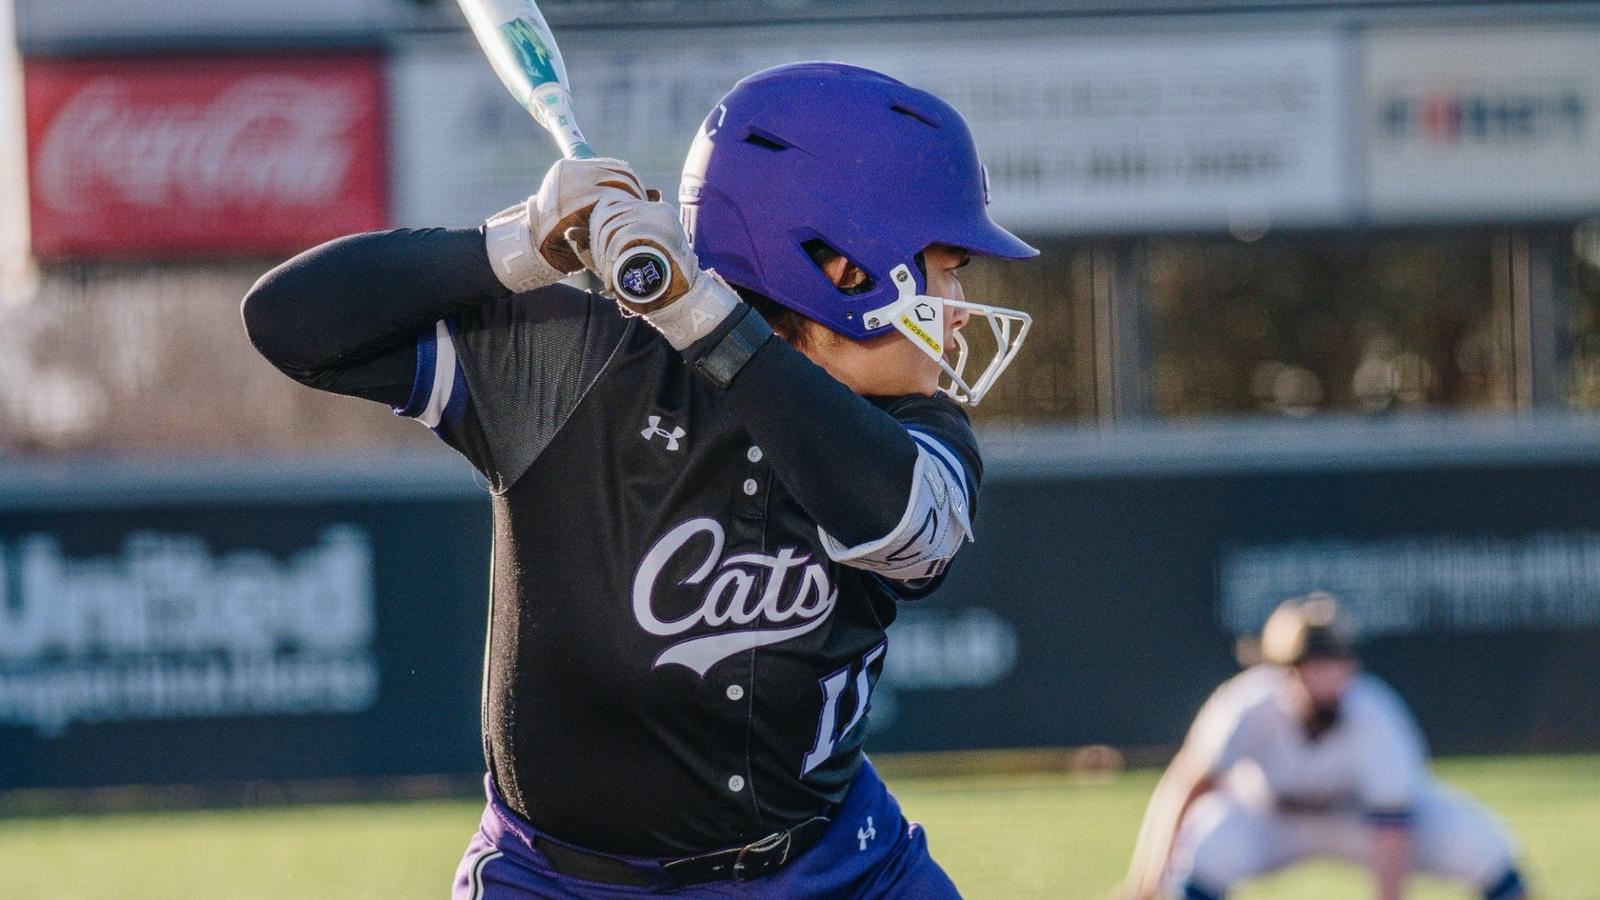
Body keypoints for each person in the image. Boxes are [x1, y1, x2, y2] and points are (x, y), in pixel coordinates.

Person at [242, 62, 1037, 898]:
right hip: (565, 882)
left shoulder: (915, 427)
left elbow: (908, 531)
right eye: (945, 267)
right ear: (841, 269)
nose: (954, 303)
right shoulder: (578, 361)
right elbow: (288, 323)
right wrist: (518, 243)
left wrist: (704, 319)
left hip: (838, 865)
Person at [1119, 593, 1530, 900]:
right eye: (1314, 666)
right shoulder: (1247, 703)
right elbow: (1188, 784)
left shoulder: (1375, 711)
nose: (1328, 678)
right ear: (1284, 670)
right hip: (1269, 819)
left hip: (1357, 823)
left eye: (1337, 664)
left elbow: (1393, 828)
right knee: (1204, 847)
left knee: (1481, 842)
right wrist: (1145, 881)